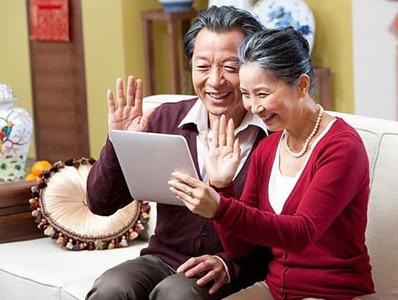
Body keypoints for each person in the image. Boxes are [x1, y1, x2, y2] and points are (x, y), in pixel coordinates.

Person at [168, 27, 375, 300]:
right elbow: (241, 250)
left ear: (301, 85)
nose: (253, 106)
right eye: (246, 94)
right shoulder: (267, 148)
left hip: (334, 292)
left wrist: (220, 208)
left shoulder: (342, 147)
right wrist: (222, 186)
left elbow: (301, 232)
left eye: (262, 94)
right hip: (274, 290)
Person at [85, 6, 272, 300]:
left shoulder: (270, 135)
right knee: (111, 288)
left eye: (230, 67)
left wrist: (229, 265)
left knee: (176, 295)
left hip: (224, 267)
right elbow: (100, 203)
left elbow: (282, 231)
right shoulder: (164, 120)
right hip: (162, 258)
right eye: (202, 66)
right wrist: (117, 142)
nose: (214, 80)